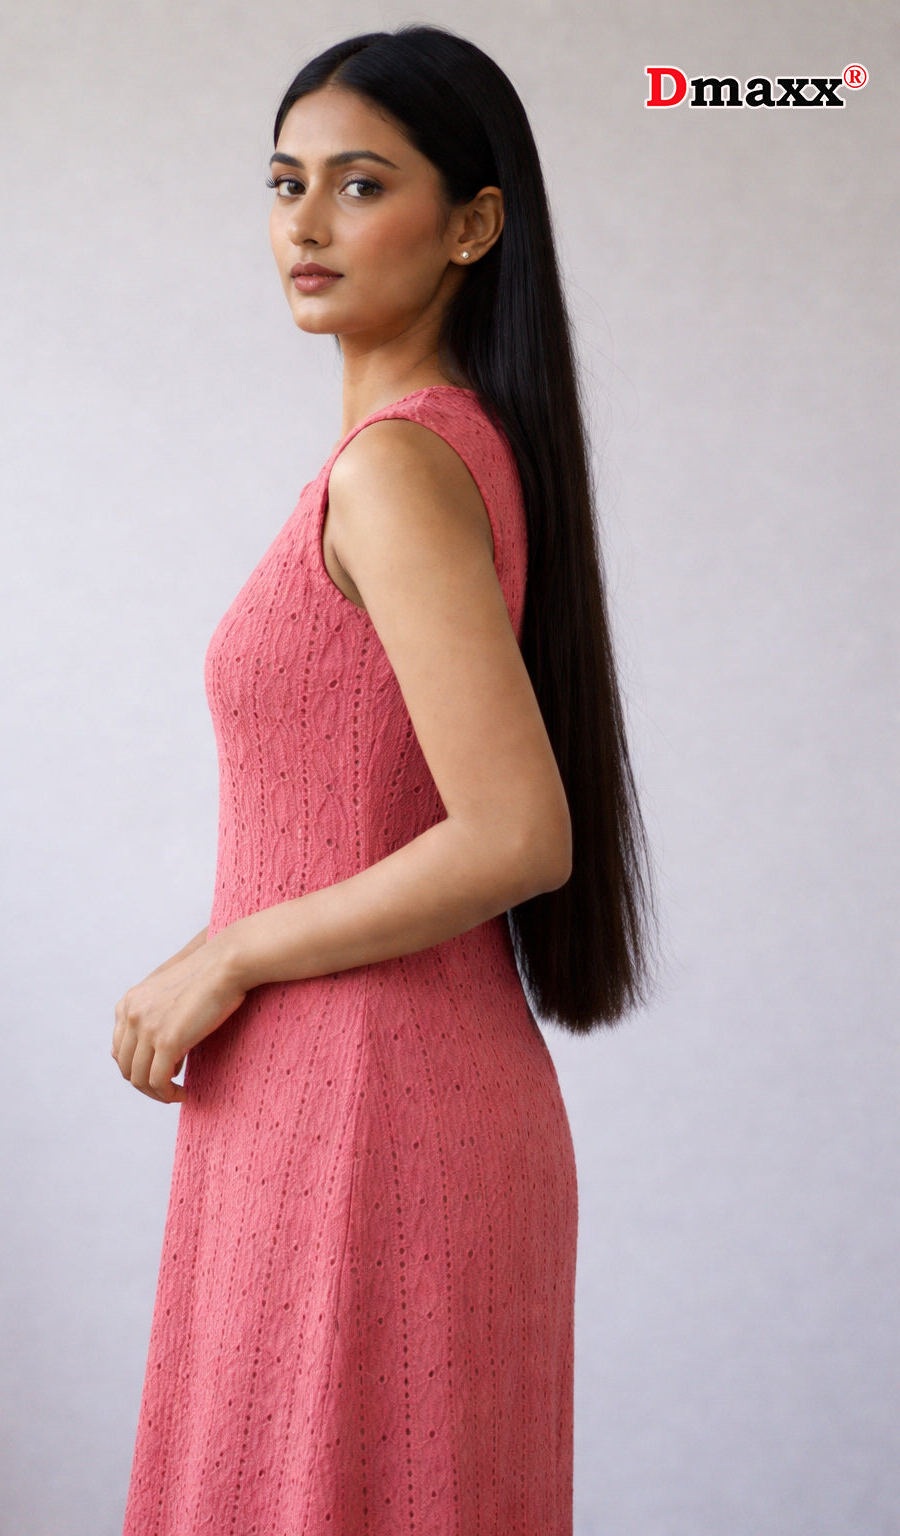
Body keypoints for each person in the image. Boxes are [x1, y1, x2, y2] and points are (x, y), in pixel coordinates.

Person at [113, 23, 655, 1536]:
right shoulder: (449, 454)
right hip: (347, 1097)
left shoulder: (400, 469)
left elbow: (515, 831)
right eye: (285, 183)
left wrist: (227, 952)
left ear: (474, 224)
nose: (306, 222)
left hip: (367, 1113)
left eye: (360, 185)